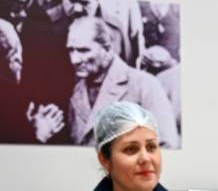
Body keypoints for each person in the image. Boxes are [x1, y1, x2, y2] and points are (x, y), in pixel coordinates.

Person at [66, 16, 179, 149]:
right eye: (71, 50)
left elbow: (166, 146)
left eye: (83, 50)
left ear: (107, 49)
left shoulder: (144, 85)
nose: (75, 60)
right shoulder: (77, 91)